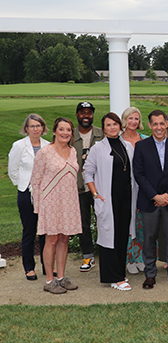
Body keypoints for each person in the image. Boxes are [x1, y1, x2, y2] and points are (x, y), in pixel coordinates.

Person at [133, 110, 168, 289]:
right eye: (154, 124)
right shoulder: (141, 146)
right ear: (150, 125)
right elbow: (139, 174)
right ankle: (150, 274)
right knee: (149, 238)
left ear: (166, 124)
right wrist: (155, 196)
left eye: (161, 123)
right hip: (150, 200)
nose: (158, 127)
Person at [83, 112, 138, 291]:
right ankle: (113, 277)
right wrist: (95, 193)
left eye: (115, 124)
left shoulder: (128, 146)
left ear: (120, 126)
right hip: (108, 197)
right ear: (104, 128)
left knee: (122, 235)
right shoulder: (98, 148)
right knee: (109, 237)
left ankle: (120, 273)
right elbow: (87, 172)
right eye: (108, 125)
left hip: (126, 196)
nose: (112, 128)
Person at [31, 117, 81, 294]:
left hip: (69, 201)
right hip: (50, 201)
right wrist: (38, 207)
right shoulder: (44, 152)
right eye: (62, 129)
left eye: (68, 130)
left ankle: (61, 277)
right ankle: (49, 280)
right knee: (51, 239)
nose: (65, 133)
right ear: (54, 131)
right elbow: (35, 181)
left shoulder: (73, 151)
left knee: (64, 239)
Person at [9, 114, 50, 281]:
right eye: (32, 126)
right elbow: (13, 170)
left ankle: (47, 266)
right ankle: (29, 268)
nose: (35, 129)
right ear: (26, 128)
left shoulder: (48, 146)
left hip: (46, 193)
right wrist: (24, 185)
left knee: (45, 232)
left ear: (43, 128)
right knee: (29, 231)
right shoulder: (19, 146)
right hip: (26, 193)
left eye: (38, 126)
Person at [73, 101, 104, 272]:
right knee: (83, 224)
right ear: (77, 115)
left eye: (89, 113)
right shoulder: (70, 135)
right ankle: (88, 256)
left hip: (99, 187)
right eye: (83, 113)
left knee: (104, 220)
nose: (86, 116)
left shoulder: (101, 134)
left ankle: (106, 253)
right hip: (78, 188)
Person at [121, 107, 148, 275]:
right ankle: (128, 259)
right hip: (123, 188)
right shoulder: (117, 139)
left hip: (143, 187)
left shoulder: (145, 139)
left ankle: (140, 258)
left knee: (141, 223)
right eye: (130, 118)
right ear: (125, 120)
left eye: (136, 119)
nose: (133, 121)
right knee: (126, 223)